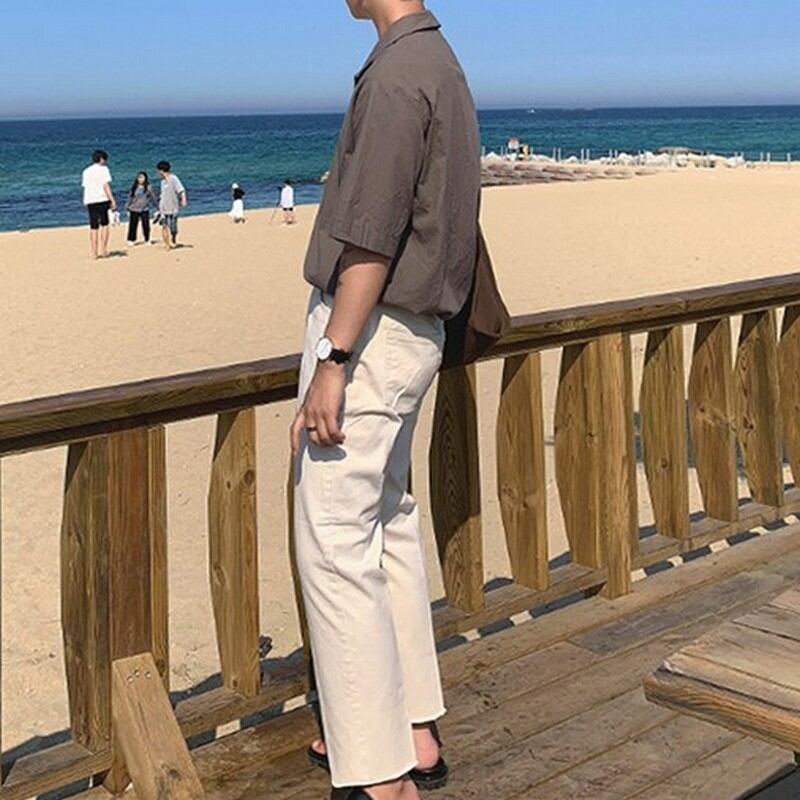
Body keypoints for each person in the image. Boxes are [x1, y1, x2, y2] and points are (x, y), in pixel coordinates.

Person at [290, 2, 481, 799]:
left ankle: (379, 773)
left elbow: (372, 233)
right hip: (411, 334)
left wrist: (333, 355)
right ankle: (411, 728)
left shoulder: (400, 75)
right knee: (387, 521)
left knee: (336, 539)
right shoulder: (438, 63)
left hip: (372, 335)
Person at [81, 149, 117, 259]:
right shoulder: (104, 169)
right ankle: (104, 249)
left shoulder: (86, 171)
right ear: (101, 159)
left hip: (90, 200)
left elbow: (85, 187)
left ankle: (94, 252)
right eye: (104, 159)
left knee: (93, 227)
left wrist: (85, 200)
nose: (105, 162)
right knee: (105, 225)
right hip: (102, 199)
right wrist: (112, 200)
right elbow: (106, 186)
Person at [156, 160, 187, 249]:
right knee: (164, 226)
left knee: (173, 228)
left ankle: (173, 237)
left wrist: (183, 200)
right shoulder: (162, 182)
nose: (158, 173)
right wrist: (159, 207)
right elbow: (162, 195)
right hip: (163, 208)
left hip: (173, 208)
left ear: (162, 170)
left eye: (158, 171)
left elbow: (181, 190)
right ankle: (167, 244)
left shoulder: (173, 178)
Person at [125, 171, 158, 245]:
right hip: (134, 208)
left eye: (142, 177)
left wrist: (158, 207)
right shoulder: (134, 187)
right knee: (133, 225)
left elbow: (153, 197)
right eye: (139, 177)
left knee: (146, 225)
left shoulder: (149, 187)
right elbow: (130, 197)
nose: (141, 179)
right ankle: (131, 239)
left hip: (144, 209)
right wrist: (127, 206)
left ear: (145, 178)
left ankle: (147, 239)